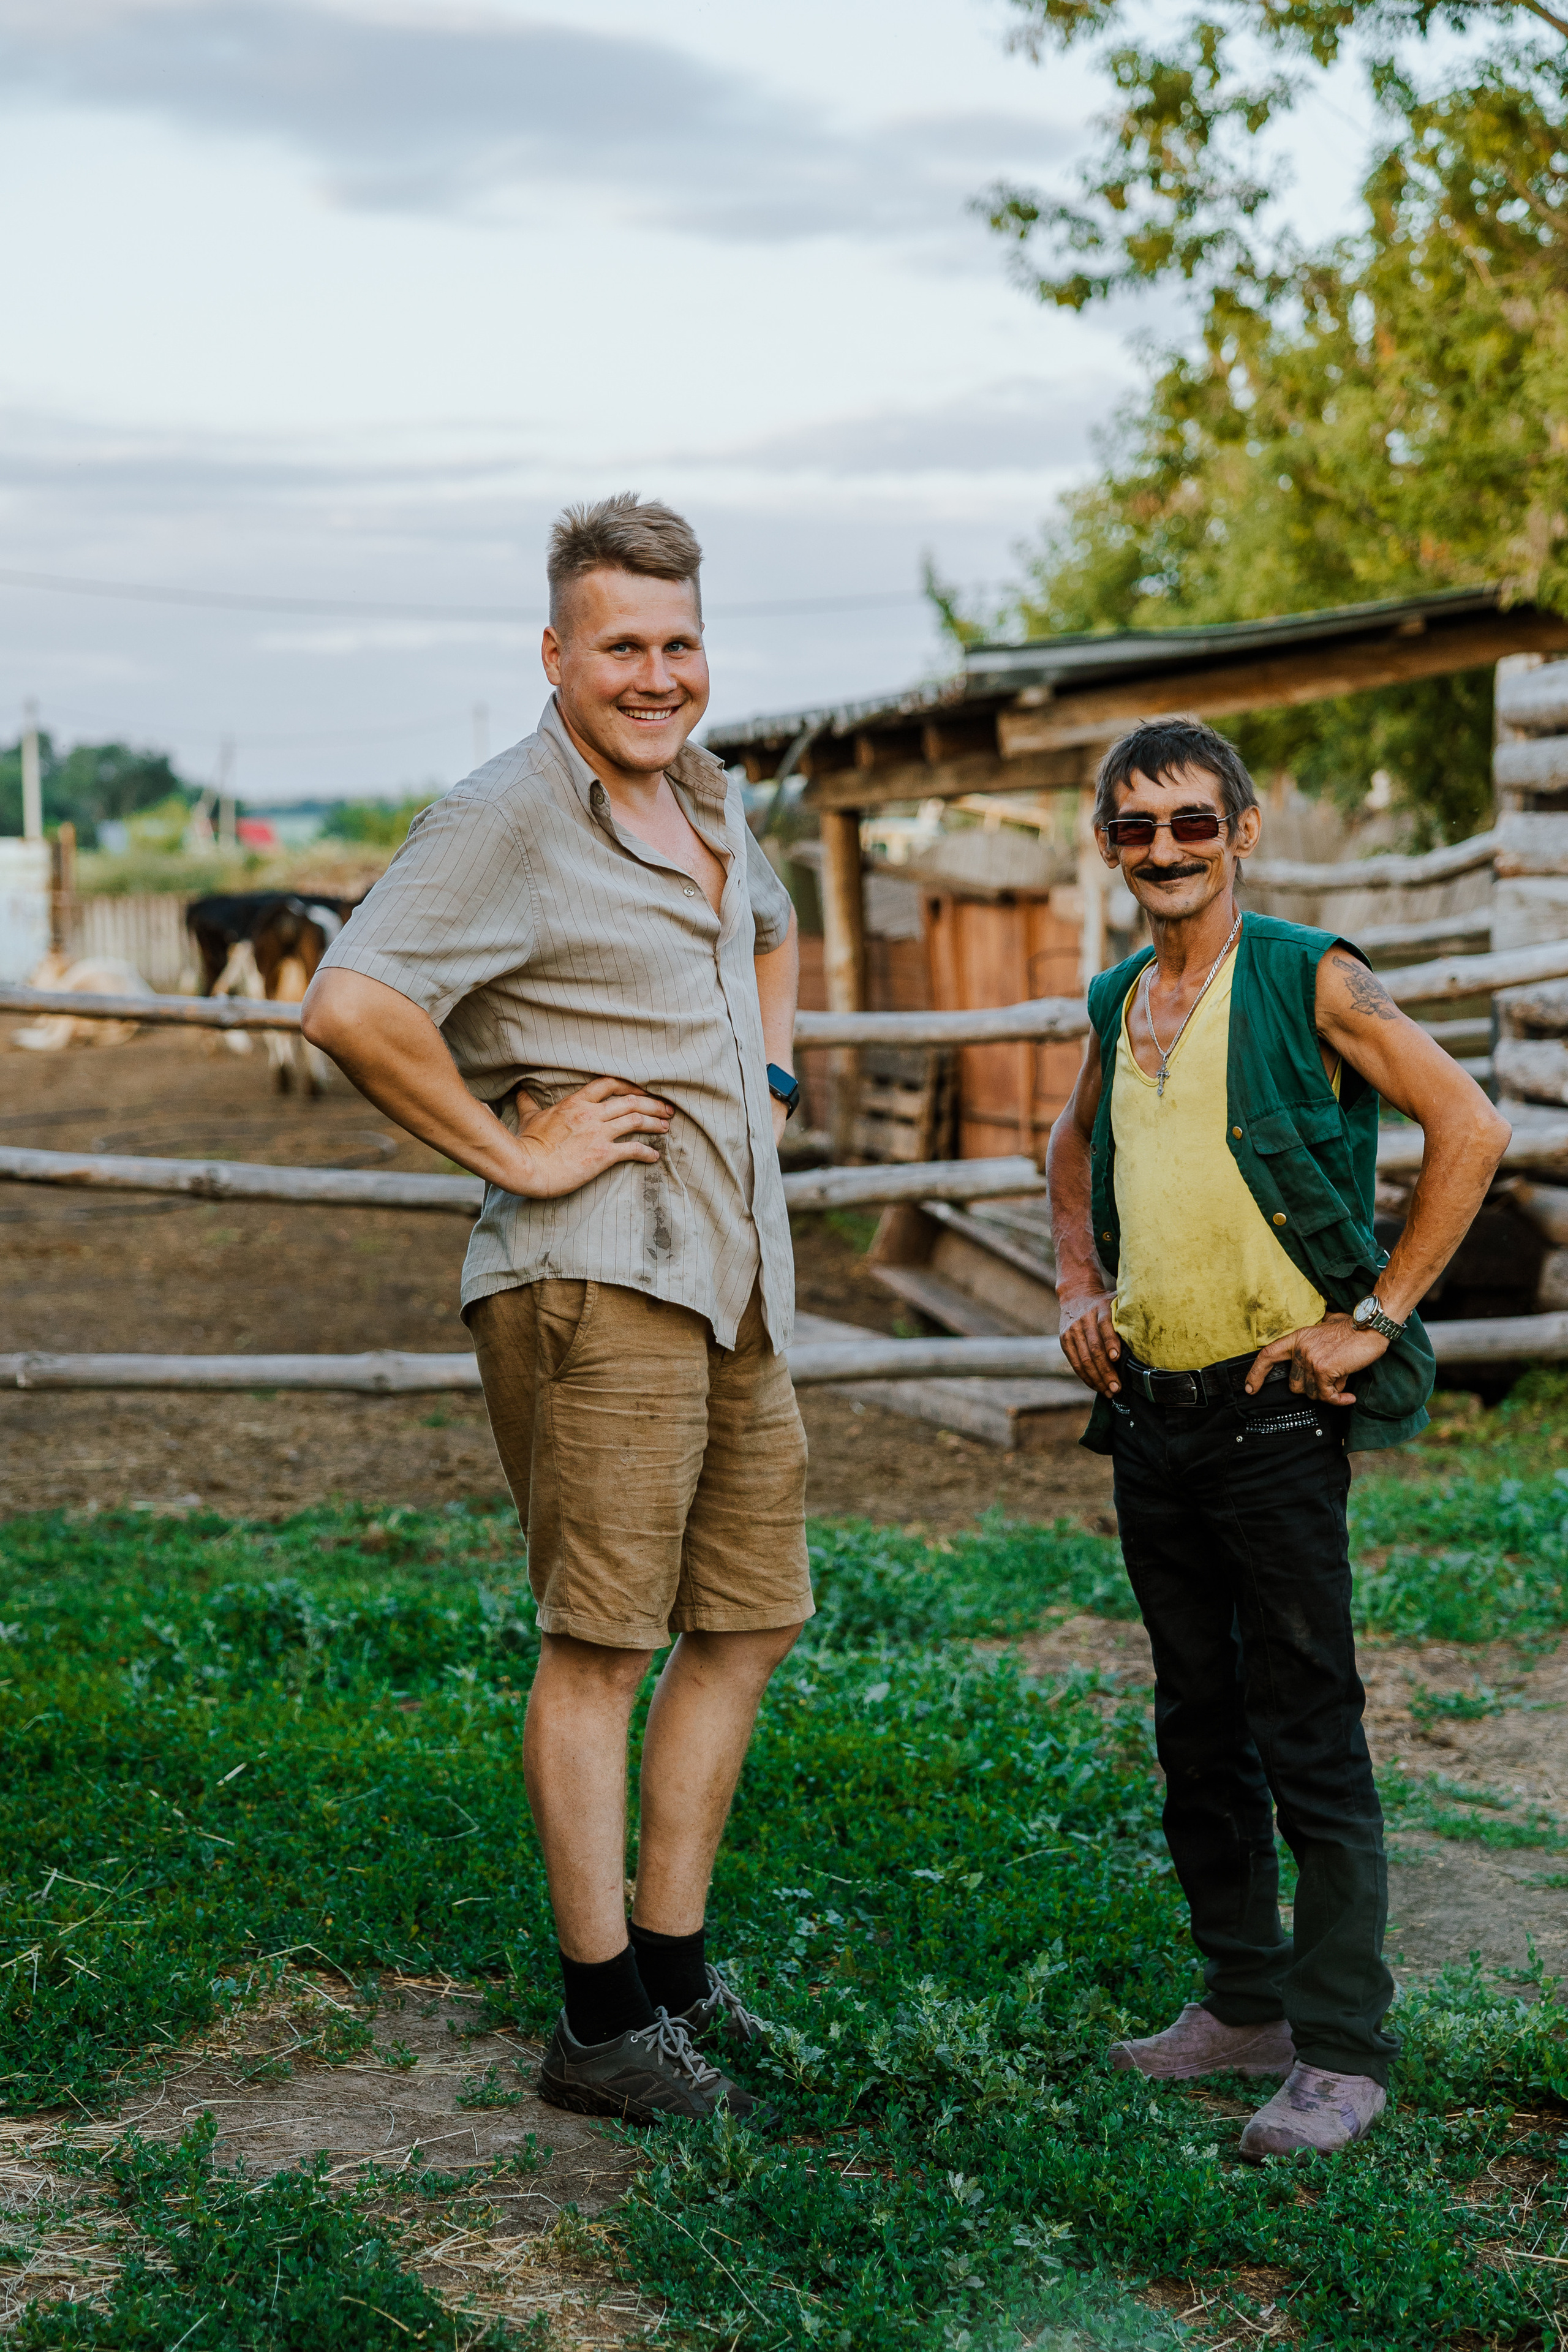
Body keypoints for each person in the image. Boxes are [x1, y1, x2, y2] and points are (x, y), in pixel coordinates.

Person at [301, 493, 812, 2125]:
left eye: (678, 645)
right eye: (622, 648)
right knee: (604, 1645)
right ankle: (599, 2024)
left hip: (733, 1273)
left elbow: (779, 936)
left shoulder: (714, 800)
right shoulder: (509, 812)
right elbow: (354, 1003)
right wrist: (517, 1154)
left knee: (748, 1617)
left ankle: (674, 1973)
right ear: (556, 654)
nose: (655, 676)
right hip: (596, 1276)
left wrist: (775, 1076)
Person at [1046, 718, 1509, 2156]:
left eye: (1192, 824)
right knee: (1196, 1723)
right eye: (1135, 829)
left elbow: (1467, 1125)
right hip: (1150, 1418)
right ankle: (1241, 2002)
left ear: (1239, 832)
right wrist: (1075, 1279)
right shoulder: (1119, 995)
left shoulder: (1309, 977)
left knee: (1303, 1724)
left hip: (1270, 1419)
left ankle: (1343, 2050)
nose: (1164, 851)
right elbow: (1067, 1152)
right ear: (1108, 843)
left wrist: (1372, 1314)